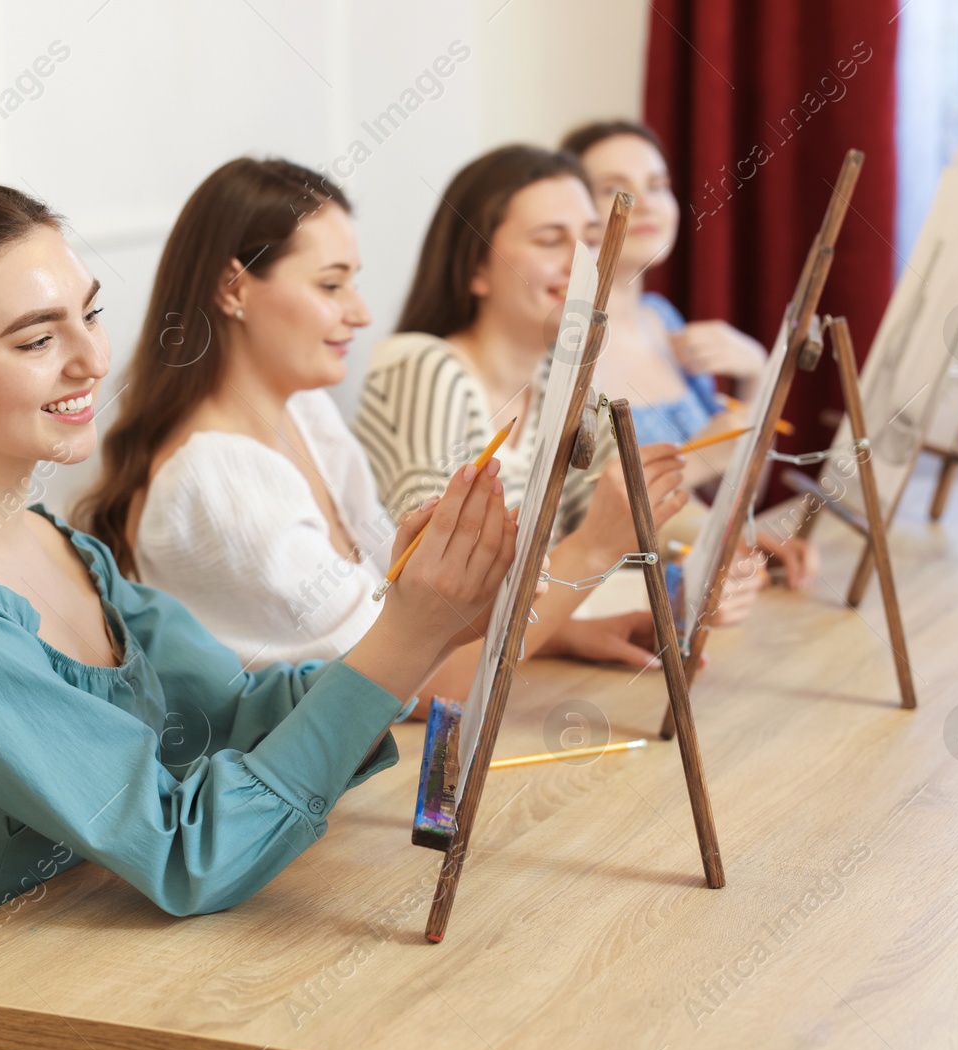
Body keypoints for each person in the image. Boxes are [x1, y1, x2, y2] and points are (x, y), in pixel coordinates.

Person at [0, 181, 515, 1050]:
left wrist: (424, 617)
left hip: (33, 1017)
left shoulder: (58, 548)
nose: (88, 359)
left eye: (89, 315)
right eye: (36, 338)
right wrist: (406, 638)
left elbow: (241, 710)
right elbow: (187, 850)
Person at [77, 158, 690, 703]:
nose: (361, 311)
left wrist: (567, 634)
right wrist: (592, 550)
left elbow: (401, 628)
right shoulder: (219, 480)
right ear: (233, 289)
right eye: (330, 284)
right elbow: (405, 685)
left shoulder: (306, 415)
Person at [354, 144, 763, 631]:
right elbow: (445, 593)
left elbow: (624, 513)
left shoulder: (564, 381)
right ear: (475, 269)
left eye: (590, 239)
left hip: (526, 660)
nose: (581, 262)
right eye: (550, 241)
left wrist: (723, 546)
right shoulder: (426, 367)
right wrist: (572, 628)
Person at [560, 120, 818, 589]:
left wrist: (757, 375)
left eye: (657, 185)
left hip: (711, 600)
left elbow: (731, 497)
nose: (646, 202)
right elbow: (571, 520)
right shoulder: (562, 347)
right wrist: (695, 460)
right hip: (624, 609)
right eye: (614, 188)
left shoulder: (664, 320)